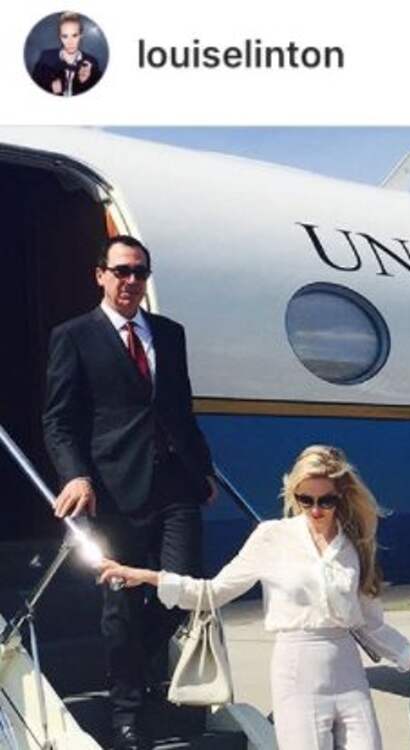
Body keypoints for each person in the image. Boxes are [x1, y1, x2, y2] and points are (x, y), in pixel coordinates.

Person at [100, 445, 410, 750]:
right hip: (297, 669)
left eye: (326, 501)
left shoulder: (354, 545)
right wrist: (149, 577)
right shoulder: (272, 537)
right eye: (306, 500)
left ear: (341, 496)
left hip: (349, 671)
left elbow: (369, 621)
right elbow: (213, 592)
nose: (316, 510)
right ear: (294, 495)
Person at [43, 235, 216, 750]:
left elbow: (180, 409)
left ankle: (133, 677)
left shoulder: (170, 334)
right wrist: (75, 475)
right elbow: (58, 420)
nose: (131, 281)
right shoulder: (74, 336)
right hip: (112, 493)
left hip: (177, 486)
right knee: (119, 607)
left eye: (140, 272)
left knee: (182, 591)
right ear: (100, 275)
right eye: (121, 271)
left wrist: (202, 469)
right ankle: (127, 714)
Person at [31, 11, 102, 96]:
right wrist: (49, 86)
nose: (70, 42)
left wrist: (84, 82)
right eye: (65, 36)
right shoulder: (46, 57)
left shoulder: (91, 63)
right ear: (60, 37)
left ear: (81, 36)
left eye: (74, 35)